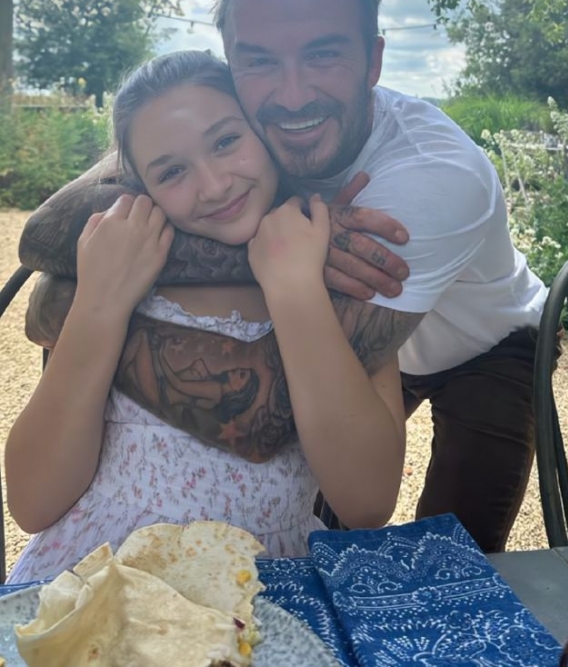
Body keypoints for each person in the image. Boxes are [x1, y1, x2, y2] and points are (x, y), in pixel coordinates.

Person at [18, 0, 557, 554]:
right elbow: (44, 229)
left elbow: (265, 425)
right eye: (260, 61)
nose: (292, 95)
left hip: (485, 344)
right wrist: (96, 297)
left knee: (455, 554)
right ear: (234, 68)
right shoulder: (244, 129)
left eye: (323, 54)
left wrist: (83, 309)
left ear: (373, 61)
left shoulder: (433, 177)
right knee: (338, 530)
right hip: (331, 325)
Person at [5, 50, 406, 583]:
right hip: (101, 579)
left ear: (265, 131)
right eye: (172, 171)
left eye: (226, 141)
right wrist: (100, 302)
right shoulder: (118, 276)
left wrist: (296, 292)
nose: (214, 186)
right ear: (142, 188)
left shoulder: (341, 279)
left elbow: (367, 502)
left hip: (264, 589)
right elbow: (33, 502)